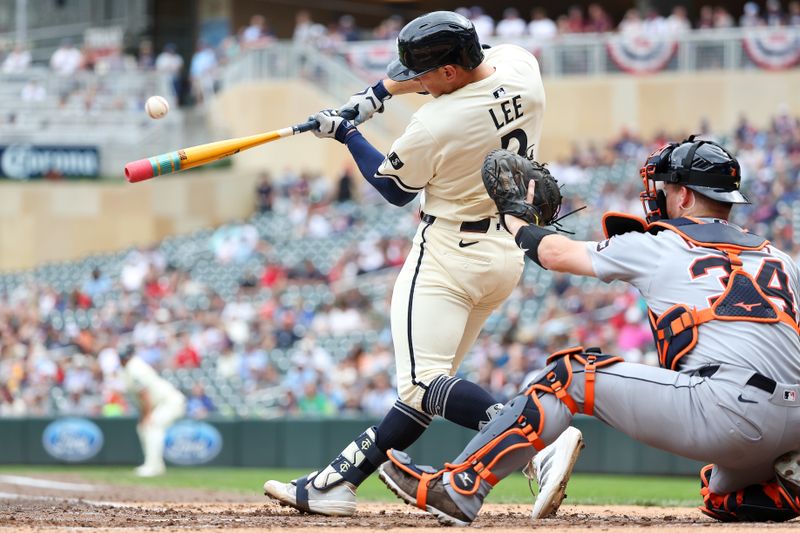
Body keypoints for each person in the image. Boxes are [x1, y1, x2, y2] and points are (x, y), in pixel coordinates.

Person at [377, 138, 800, 525]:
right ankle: (785, 485)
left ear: (685, 196)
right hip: (792, 421)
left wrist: (513, 220)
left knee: (569, 376)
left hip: (728, 409)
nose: (658, 196)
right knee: (721, 492)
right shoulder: (781, 259)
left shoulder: (662, 244)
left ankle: (461, 485)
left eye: (666, 189)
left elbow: (554, 253)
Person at [263, 10, 568, 518]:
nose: (417, 83)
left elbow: (391, 188)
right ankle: (336, 483)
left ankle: (531, 442)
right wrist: (377, 94)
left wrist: (346, 131)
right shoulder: (522, 68)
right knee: (431, 388)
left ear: (449, 71)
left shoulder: (436, 122)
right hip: (505, 251)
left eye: (424, 74)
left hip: (449, 253)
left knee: (424, 385)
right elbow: (461, 66)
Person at [119, 344, 186, 477]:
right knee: (143, 428)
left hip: (170, 401)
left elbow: (144, 392)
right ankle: (155, 465)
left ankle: (152, 466)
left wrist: (148, 414)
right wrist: (145, 415)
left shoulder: (134, 367)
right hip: (160, 404)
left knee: (153, 426)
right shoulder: (130, 367)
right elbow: (141, 396)